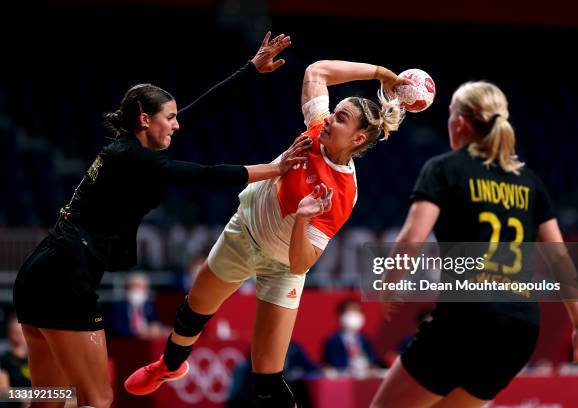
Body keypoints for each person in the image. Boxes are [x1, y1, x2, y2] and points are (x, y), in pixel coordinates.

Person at [11, 32, 304, 408]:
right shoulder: (136, 160)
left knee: (48, 398)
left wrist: (250, 70)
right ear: (145, 119)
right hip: (65, 274)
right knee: (97, 399)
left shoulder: (134, 148)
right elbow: (204, 175)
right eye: (169, 118)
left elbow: (196, 113)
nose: (177, 125)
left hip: (42, 273)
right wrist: (275, 169)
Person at [125, 59, 409, 407]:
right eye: (334, 111)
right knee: (193, 312)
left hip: (284, 266)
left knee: (267, 379)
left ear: (358, 138)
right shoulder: (317, 127)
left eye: (341, 119)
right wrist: (380, 73)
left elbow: (300, 261)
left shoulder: (343, 194)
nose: (330, 118)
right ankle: (168, 366)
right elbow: (317, 71)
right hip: (244, 232)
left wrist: (303, 219)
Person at [371, 81, 578, 408]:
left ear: (459, 123)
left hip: (467, 320)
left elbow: (412, 237)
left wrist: (388, 283)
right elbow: (561, 258)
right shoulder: (529, 182)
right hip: (519, 330)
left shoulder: (444, 169)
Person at [322, 298, 379, 375]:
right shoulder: (332, 341)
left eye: (357, 311)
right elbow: (331, 364)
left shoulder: (365, 339)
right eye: (350, 311)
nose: (354, 316)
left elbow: (373, 360)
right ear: (341, 316)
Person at [108, 273, 169, 339]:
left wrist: (160, 329)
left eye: (142, 288)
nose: (138, 291)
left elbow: (155, 323)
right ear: (126, 289)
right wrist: (139, 334)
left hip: (147, 342)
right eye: (135, 287)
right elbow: (118, 329)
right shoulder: (118, 307)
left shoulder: (148, 307)